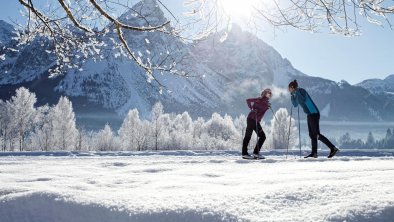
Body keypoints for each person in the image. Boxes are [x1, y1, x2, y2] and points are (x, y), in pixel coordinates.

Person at [288, 80, 339, 158]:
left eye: (289, 88)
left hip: (314, 113)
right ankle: (314, 153)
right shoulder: (295, 93)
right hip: (309, 114)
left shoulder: (301, 91)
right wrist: (292, 95)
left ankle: (333, 148)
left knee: (316, 134)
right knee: (312, 135)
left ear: (292, 87)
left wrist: (296, 92)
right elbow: (295, 105)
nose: (288, 89)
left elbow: (303, 99)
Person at [242, 89, 272, 159]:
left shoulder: (266, 103)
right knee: (251, 136)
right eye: (268, 93)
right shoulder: (259, 99)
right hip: (252, 119)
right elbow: (248, 100)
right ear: (264, 94)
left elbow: (261, 111)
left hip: (255, 120)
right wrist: (252, 109)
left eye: (270, 94)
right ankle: (247, 153)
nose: (269, 95)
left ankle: (254, 153)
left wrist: (267, 107)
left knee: (261, 136)